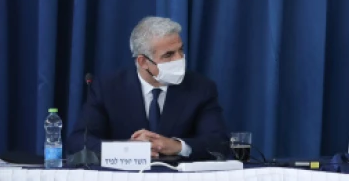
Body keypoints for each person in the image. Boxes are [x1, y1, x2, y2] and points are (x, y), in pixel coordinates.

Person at [66, 17, 229, 159]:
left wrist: (177, 146)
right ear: (143, 62)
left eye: (180, 50)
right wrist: (125, 149)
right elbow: (78, 141)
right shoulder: (108, 88)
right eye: (168, 55)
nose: (179, 59)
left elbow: (219, 142)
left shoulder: (201, 88)